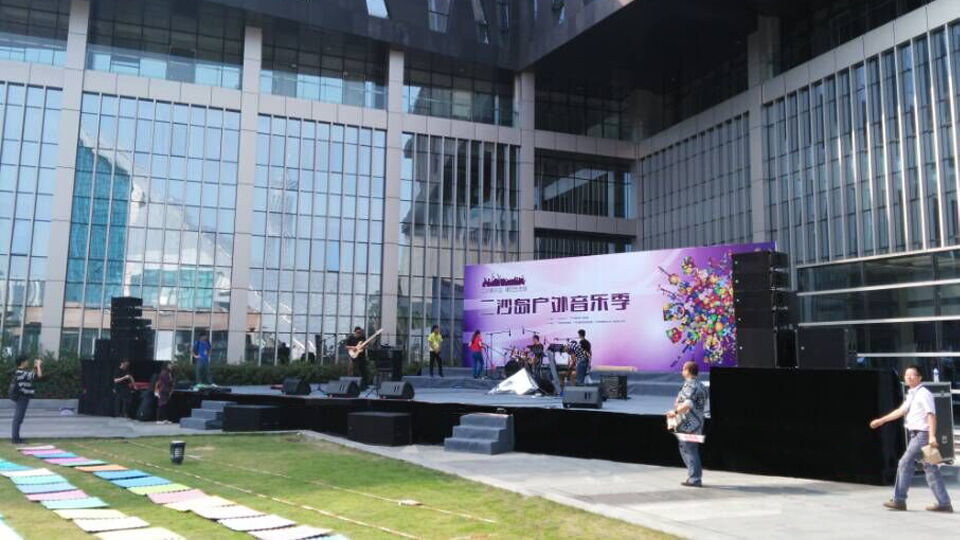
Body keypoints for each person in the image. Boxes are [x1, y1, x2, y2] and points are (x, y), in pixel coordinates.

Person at [869, 365, 953, 512]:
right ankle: (944, 503)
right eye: (906, 375)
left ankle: (899, 500)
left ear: (920, 377)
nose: (908, 377)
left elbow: (931, 415)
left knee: (904, 463)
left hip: (922, 435)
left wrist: (932, 436)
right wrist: (881, 421)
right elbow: (901, 411)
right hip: (917, 435)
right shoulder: (912, 394)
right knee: (931, 469)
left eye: (912, 375)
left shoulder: (924, 394)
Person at [667, 361, 708, 487]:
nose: (682, 371)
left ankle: (695, 478)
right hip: (697, 423)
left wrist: (674, 412)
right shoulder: (701, 384)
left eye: (683, 369)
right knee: (689, 449)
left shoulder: (689, 385)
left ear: (687, 371)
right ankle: (694, 476)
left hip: (688, 424)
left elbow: (688, 404)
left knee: (689, 450)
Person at [10, 356, 42, 444]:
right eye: (26, 361)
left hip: (22, 397)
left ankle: (16, 438)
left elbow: (32, 375)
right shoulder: (21, 373)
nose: (28, 362)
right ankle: (15, 439)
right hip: (22, 397)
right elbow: (39, 376)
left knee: (18, 418)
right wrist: (38, 365)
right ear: (22, 362)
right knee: (18, 418)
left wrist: (36, 366)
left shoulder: (21, 372)